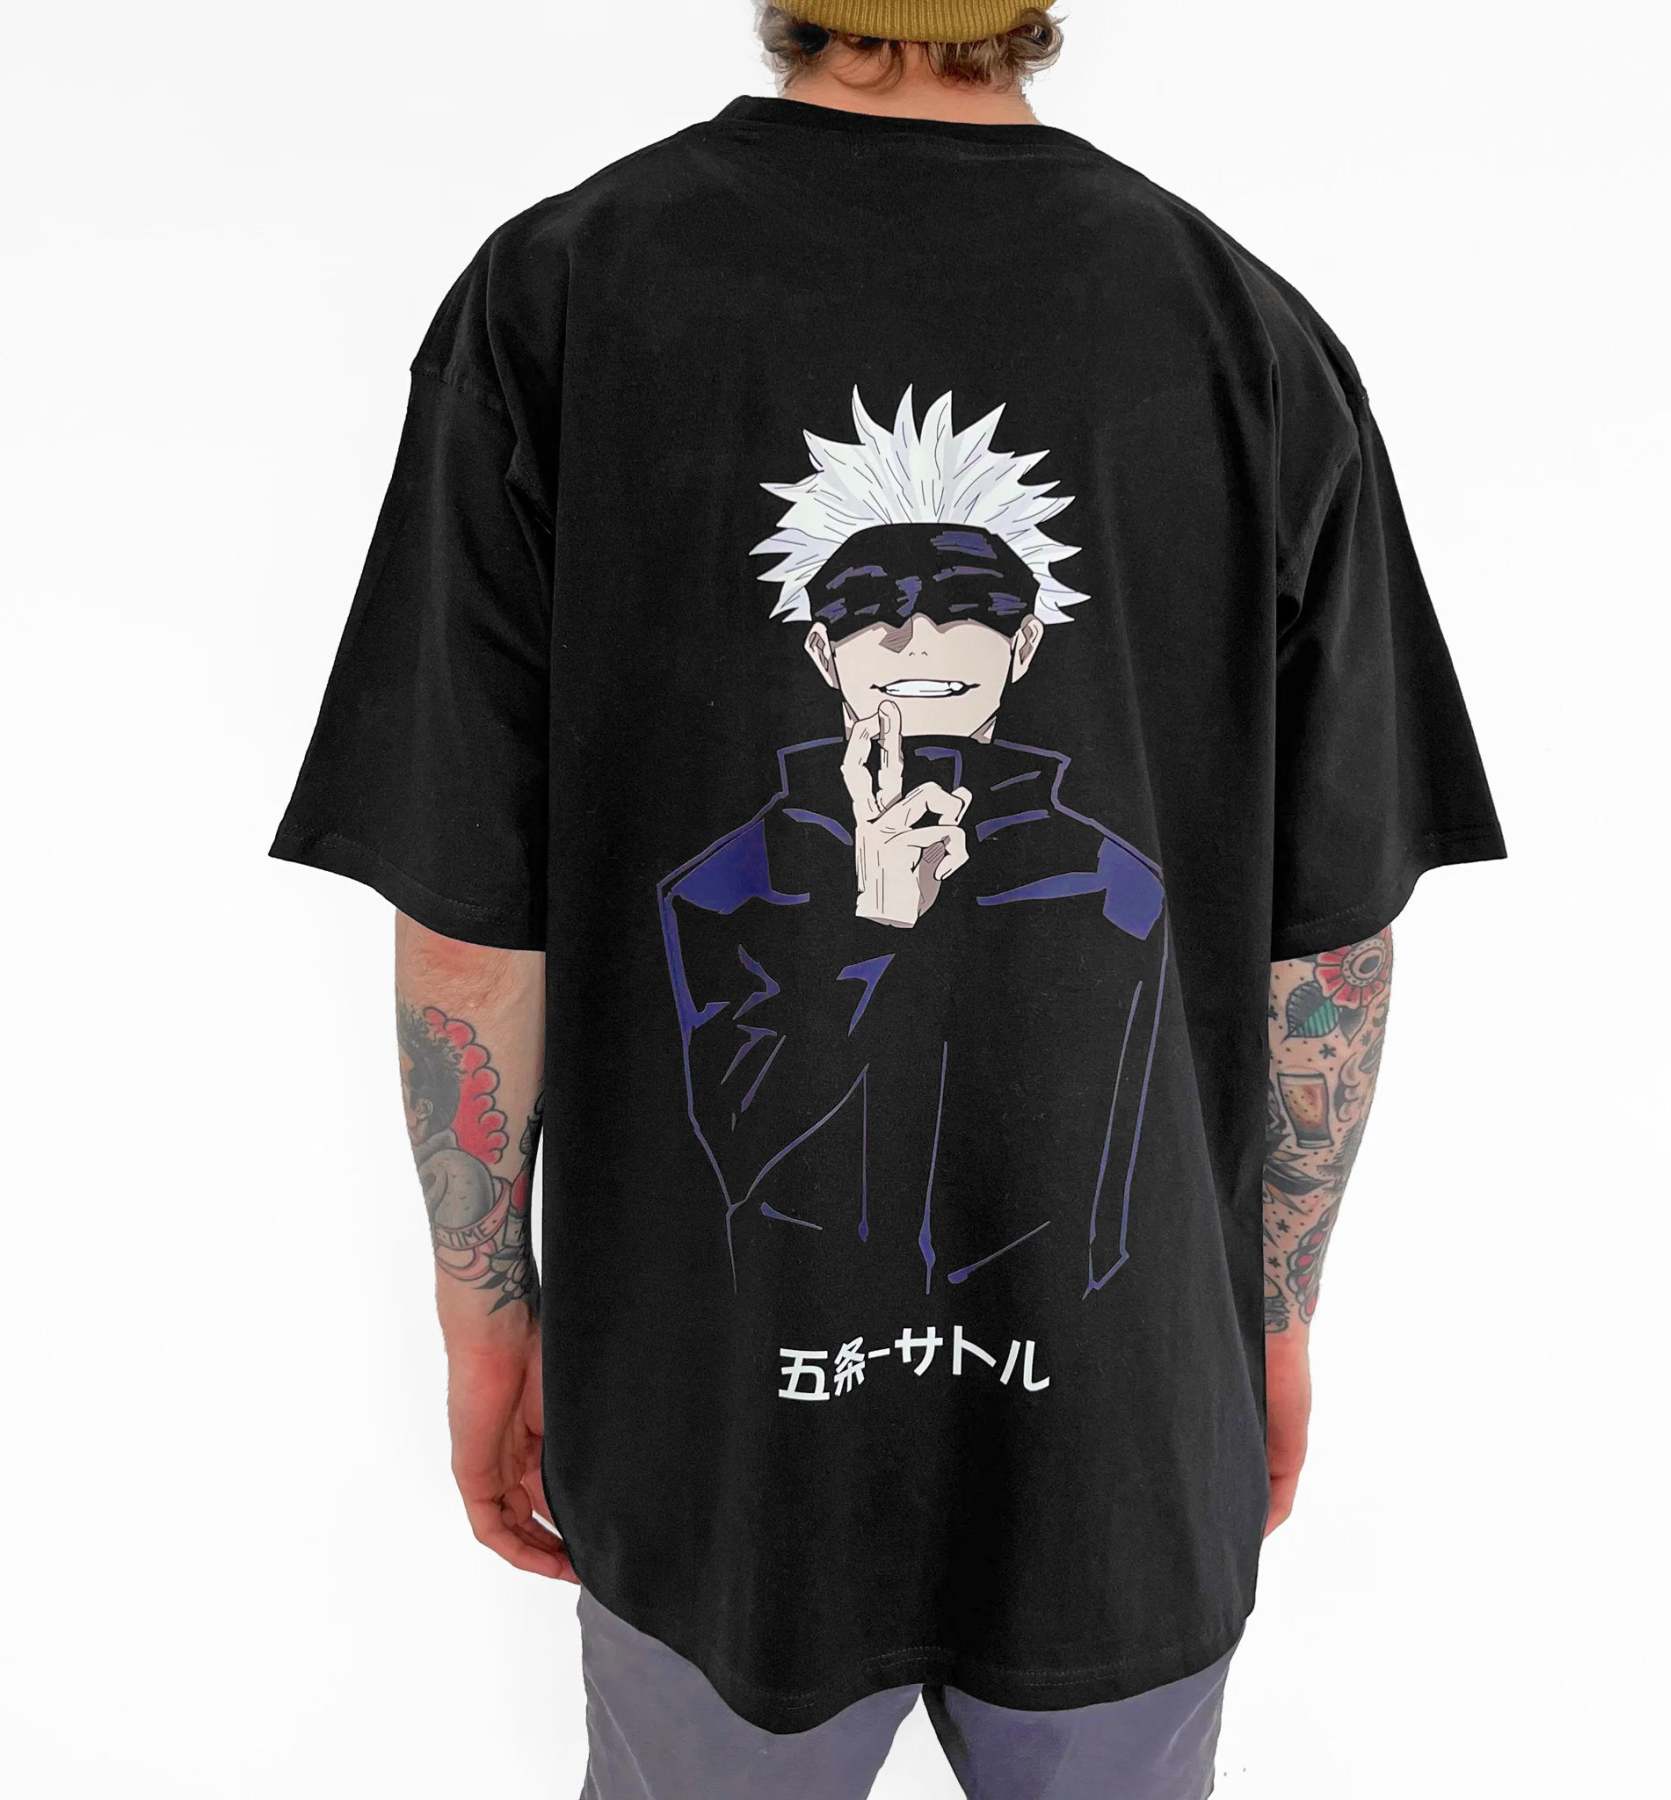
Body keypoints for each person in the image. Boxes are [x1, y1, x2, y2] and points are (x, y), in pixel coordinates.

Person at [272, 5, 1505, 1794]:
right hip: (1091, 1444)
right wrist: (1270, 1313)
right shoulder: (1240, 327)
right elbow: (1331, 950)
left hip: (720, 1453)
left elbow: (472, 936)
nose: (919, 664)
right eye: (881, 632)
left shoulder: (564, 295)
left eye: (958, 633)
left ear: (1020, 649)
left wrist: (487, 1313)